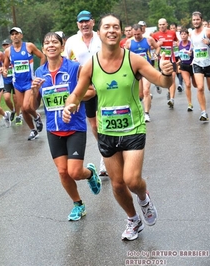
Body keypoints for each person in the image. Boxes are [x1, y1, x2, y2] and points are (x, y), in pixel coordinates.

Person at [63, 14, 174, 241]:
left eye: (115, 27)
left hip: (132, 128)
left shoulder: (133, 60)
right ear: (99, 32)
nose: (111, 30)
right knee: (118, 184)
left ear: (121, 32)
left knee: (132, 180)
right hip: (107, 131)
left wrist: (167, 72)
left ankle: (143, 198)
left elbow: (162, 83)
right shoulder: (91, 65)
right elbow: (77, 93)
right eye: (107, 27)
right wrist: (70, 106)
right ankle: (133, 219)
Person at [30, 32, 102, 221]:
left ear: (62, 47)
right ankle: (78, 204)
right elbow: (32, 107)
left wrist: (74, 96)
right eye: (46, 43)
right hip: (53, 128)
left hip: (75, 126)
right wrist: (33, 91)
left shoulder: (74, 68)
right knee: (63, 171)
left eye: (55, 42)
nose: (50, 45)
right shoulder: (40, 73)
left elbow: (92, 91)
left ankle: (90, 173)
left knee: (75, 172)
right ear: (44, 48)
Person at [64, 10, 108, 176]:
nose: (84, 25)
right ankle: (105, 154)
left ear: (93, 22)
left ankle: (113, 152)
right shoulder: (72, 41)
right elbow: (64, 62)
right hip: (87, 89)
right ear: (78, 25)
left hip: (105, 85)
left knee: (107, 119)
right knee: (95, 125)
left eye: (87, 21)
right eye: (81, 22)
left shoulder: (101, 37)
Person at [2, 27, 47, 140]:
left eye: (17, 33)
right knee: (22, 110)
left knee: (27, 106)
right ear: (10, 37)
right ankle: (33, 130)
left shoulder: (29, 46)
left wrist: (39, 73)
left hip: (29, 82)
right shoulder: (8, 51)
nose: (15, 36)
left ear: (21, 35)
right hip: (17, 83)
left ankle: (36, 117)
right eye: (12, 34)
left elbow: (42, 56)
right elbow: (5, 65)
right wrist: (4, 70)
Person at [125, 24, 160, 122]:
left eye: (138, 34)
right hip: (135, 71)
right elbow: (123, 55)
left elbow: (157, 47)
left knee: (146, 90)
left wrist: (155, 54)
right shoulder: (129, 42)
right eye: (135, 34)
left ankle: (146, 114)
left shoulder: (148, 40)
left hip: (146, 69)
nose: (136, 36)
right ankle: (147, 99)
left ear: (142, 32)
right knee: (140, 94)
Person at [152, 18, 179, 108]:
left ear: (166, 24)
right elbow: (152, 46)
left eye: (163, 24)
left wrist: (177, 46)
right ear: (158, 25)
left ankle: (172, 99)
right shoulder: (155, 35)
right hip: (162, 61)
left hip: (172, 59)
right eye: (160, 24)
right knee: (167, 79)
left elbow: (177, 41)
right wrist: (157, 47)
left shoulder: (172, 33)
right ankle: (169, 91)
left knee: (173, 77)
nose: (162, 26)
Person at [190, 11, 210, 121]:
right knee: (200, 87)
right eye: (194, 20)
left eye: (197, 19)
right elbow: (194, 47)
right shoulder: (191, 33)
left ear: (201, 20)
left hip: (209, 63)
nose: (196, 21)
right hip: (197, 63)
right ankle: (203, 112)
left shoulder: (207, 32)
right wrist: (190, 54)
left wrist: (209, 43)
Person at [177, 27, 197, 111]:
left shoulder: (191, 44)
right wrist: (179, 60)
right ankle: (190, 104)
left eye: (185, 34)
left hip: (193, 65)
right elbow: (179, 54)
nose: (183, 36)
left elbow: (195, 52)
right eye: (181, 34)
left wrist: (192, 55)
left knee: (195, 85)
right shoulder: (179, 44)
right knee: (187, 84)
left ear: (188, 35)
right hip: (184, 66)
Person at [1, 39, 20, 124]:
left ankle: (18, 115)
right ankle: (13, 110)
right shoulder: (0, 56)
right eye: (4, 45)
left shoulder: (14, 54)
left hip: (15, 79)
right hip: (6, 80)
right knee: (7, 98)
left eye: (7, 45)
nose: (5, 46)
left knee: (16, 99)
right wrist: (0, 69)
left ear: (11, 45)